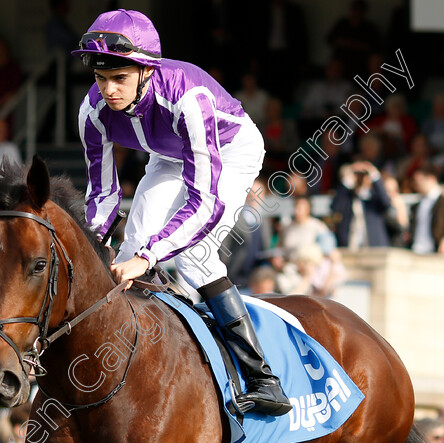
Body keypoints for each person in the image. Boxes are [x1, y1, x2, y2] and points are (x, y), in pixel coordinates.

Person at [72, 9, 289, 415]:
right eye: (101, 78)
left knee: (193, 256)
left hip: (228, 151)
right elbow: (102, 194)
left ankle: (263, 379)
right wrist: (92, 242)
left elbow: (204, 201)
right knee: (125, 250)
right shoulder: (92, 112)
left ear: (147, 71)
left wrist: (148, 257)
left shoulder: (188, 96)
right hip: (168, 153)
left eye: (120, 78)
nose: (109, 91)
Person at [409, 167, 444, 255]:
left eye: (419, 181)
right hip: (415, 250)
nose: (416, 185)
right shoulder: (418, 204)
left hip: (434, 251)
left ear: (431, 178)